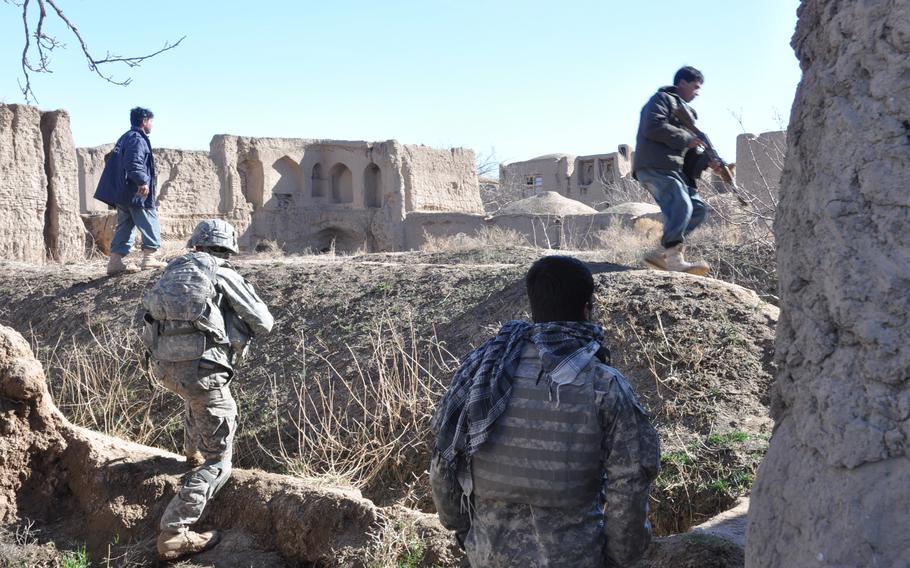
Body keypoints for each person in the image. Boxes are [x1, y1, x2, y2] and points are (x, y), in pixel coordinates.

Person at [429, 255, 660, 567]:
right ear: (587, 308)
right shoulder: (604, 386)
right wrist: (619, 557)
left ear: (533, 306)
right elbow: (631, 484)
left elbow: (444, 464)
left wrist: (466, 533)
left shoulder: (483, 374)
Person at [141, 219, 274, 560]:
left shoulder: (173, 271)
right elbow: (264, 321)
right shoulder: (221, 272)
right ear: (227, 248)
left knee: (196, 397)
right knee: (219, 461)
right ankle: (174, 531)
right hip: (204, 371)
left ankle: (190, 454)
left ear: (196, 244)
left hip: (166, 369)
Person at [633, 66, 719, 275]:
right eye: (695, 87)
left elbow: (688, 155)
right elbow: (652, 126)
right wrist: (688, 139)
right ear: (682, 82)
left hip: (674, 169)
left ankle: (663, 253)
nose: (697, 93)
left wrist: (709, 163)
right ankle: (673, 259)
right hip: (655, 166)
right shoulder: (661, 99)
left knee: (697, 209)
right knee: (681, 204)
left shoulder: (687, 114)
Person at [94, 107, 167, 275]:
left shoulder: (125, 137)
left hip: (122, 192)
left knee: (125, 225)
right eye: (151, 121)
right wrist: (142, 181)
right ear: (144, 121)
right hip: (135, 192)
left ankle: (115, 262)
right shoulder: (137, 139)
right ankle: (149, 258)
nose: (152, 125)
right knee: (149, 220)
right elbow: (133, 162)